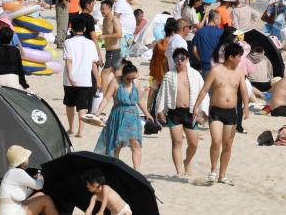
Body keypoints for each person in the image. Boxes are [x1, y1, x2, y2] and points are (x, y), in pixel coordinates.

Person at [192, 41, 249, 184]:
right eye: (238, 57)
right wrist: (196, 107)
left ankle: (222, 175)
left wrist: (246, 107)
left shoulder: (239, 72)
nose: (240, 59)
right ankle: (213, 170)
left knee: (227, 145)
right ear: (231, 57)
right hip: (216, 111)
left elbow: (243, 90)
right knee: (216, 141)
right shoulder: (216, 71)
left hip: (231, 113)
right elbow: (204, 90)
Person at [155, 47, 205, 177]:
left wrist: (202, 112)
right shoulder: (169, 76)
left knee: (193, 144)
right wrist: (160, 111)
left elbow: (203, 93)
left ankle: (187, 161)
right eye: (176, 59)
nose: (179, 61)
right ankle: (179, 172)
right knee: (177, 143)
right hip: (174, 112)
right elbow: (162, 94)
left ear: (187, 59)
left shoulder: (195, 75)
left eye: (182, 58)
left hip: (191, 113)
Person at [94, 62, 149, 170]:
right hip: (118, 115)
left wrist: (147, 113)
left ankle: (136, 172)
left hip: (133, 116)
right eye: (129, 78)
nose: (131, 80)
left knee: (136, 143)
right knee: (117, 145)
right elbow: (106, 99)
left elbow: (139, 100)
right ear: (123, 75)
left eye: (133, 78)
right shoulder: (115, 82)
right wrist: (97, 113)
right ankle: (114, 169)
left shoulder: (136, 82)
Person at [62, 16, 100, 138]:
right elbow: (94, 65)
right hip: (85, 79)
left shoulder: (68, 42)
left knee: (69, 104)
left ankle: (71, 128)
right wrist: (98, 80)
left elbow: (69, 61)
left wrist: (70, 77)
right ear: (84, 29)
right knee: (82, 105)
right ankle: (81, 131)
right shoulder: (91, 43)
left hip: (70, 80)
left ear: (72, 29)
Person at [0, 145, 58, 215]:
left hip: (9, 211)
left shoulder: (10, 173)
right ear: (22, 160)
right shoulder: (19, 172)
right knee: (46, 199)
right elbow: (39, 186)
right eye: (27, 157)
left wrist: (31, 188)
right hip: (13, 212)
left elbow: (21, 196)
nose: (28, 159)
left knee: (40, 194)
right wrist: (40, 178)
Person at [98, 0, 123, 92]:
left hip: (114, 51)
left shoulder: (114, 19)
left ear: (109, 9)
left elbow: (119, 34)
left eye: (103, 9)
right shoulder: (104, 20)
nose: (101, 11)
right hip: (108, 51)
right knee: (117, 74)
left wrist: (104, 36)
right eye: (101, 9)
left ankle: (104, 95)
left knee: (104, 73)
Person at [192, 10, 224, 75]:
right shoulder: (221, 32)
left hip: (204, 66)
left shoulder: (199, 32)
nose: (221, 21)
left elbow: (194, 50)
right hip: (218, 66)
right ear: (215, 19)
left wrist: (201, 60)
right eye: (220, 19)